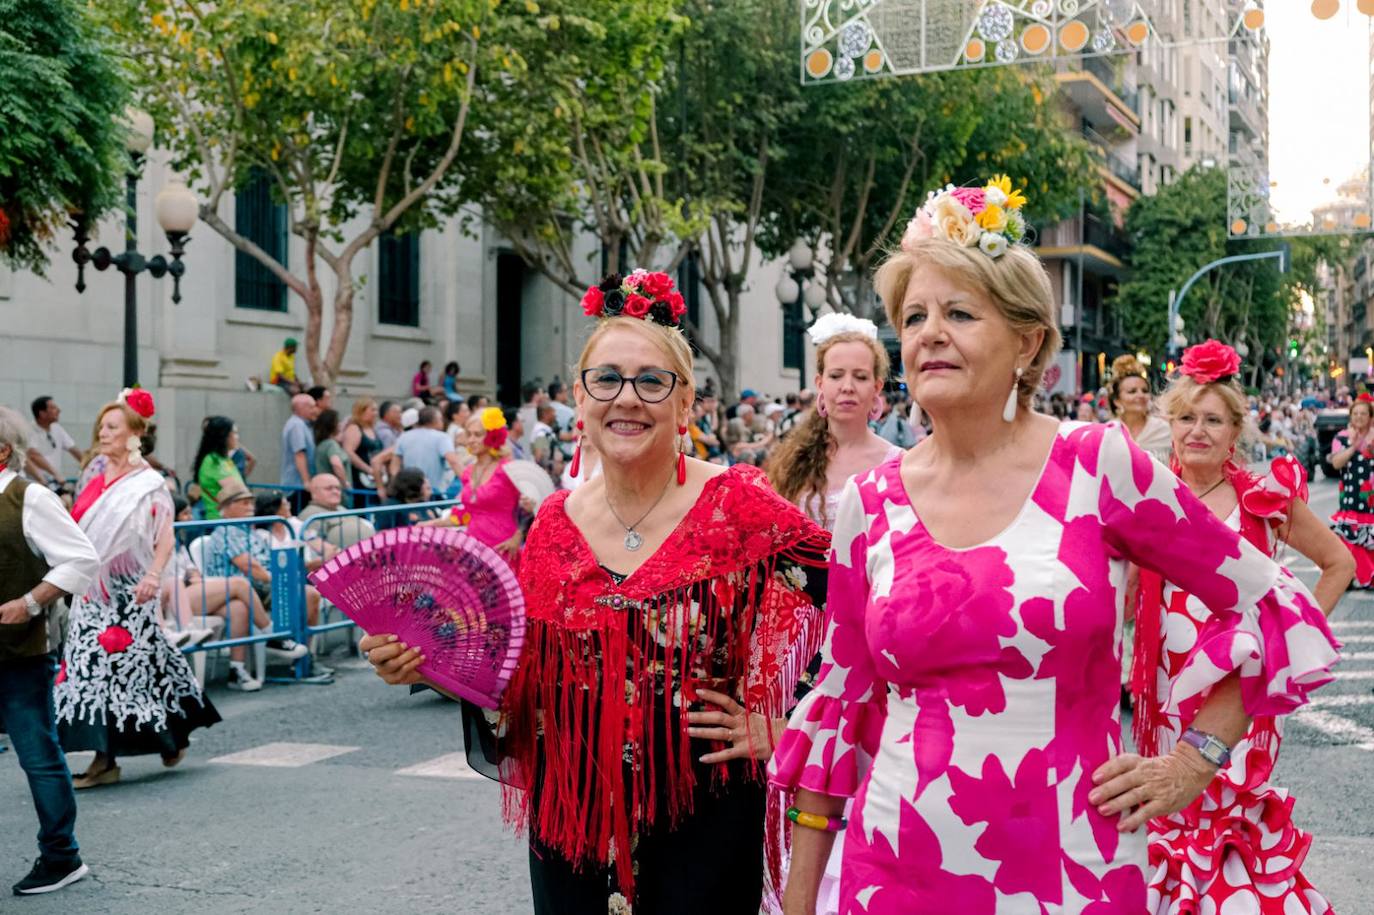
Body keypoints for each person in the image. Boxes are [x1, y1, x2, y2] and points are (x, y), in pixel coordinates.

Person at [769, 178, 1339, 914]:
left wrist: (1196, 761)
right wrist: (800, 896)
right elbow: (841, 702)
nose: (928, 332)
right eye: (913, 316)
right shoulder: (872, 504)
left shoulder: (1099, 466)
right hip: (895, 869)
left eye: (959, 312)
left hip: (1076, 869)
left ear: (1027, 340)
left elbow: (1274, 604)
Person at [361, 269, 829, 914]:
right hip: (571, 829)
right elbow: (518, 673)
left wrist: (791, 722)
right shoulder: (553, 522)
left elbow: (858, 616)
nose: (626, 398)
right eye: (606, 379)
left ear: (686, 402)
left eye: (651, 381)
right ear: (580, 401)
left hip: (706, 822)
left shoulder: (739, 504)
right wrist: (426, 662)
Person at [1135, 340, 1352, 915]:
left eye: (1213, 419)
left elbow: (1341, 563)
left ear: (1236, 432)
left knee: (1224, 813)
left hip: (1235, 690)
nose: (1197, 430)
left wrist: (1289, 640)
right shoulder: (1150, 496)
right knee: (1167, 810)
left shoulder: (1263, 498)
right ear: (1170, 424)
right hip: (1163, 687)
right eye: (1186, 417)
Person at [55, 392, 221, 789]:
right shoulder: (94, 478)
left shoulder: (149, 483)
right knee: (92, 667)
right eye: (102, 426)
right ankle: (108, 757)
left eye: (113, 426)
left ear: (135, 433)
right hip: (94, 591)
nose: (103, 432)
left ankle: (150, 742)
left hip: (132, 590)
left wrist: (154, 575)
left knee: (129, 668)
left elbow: (165, 535)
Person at [0, 407, 100, 896]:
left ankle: (61, 855)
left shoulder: (30, 497)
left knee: (37, 752)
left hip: (18, 650)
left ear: (2, 450)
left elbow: (81, 557)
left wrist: (29, 601)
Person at [767, 313, 901, 530]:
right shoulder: (793, 460)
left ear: (876, 387)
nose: (847, 387)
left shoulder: (897, 464)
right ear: (820, 383)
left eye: (860, 377)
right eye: (836, 375)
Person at [164, 497, 297, 691]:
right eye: (185, 514)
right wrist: (189, 578)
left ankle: (237, 670)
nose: (190, 518)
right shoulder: (158, 540)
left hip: (192, 590)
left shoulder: (179, 541)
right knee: (240, 584)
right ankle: (272, 634)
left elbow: (191, 568)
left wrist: (193, 574)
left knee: (239, 608)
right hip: (172, 598)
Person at [203, 481, 323, 658]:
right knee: (307, 594)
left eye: (251, 502)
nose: (250, 507)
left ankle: (304, 658)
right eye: (244, 503)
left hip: (261, 587)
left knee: (310, 595)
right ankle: (277, 639)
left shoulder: (249, 531)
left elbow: (267, 564)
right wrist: (283, 581)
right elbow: (251, 568)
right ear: (227, 508)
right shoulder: (225, 531)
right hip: (243, 590)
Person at [423, 409, 523, 565]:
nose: (471, 440)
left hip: (503, 546)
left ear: (492, 436)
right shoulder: (468, 472)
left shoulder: (508, 470)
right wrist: (433, 523)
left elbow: (529, 511)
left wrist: (517, 538)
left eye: (477, 434)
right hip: (474, 547)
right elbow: (467, 513)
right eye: (468, 434)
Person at [1328, 392, 1374, 585]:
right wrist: (1354, 446)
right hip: (1350, 497)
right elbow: (1336, 463)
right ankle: (1351, 576)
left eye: (1364, 414)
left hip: (1370, 499)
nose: (1359, 418)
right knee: (1349, 538)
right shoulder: (1341, 437)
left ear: (1371, 417)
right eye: (1355, 414)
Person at [1109, 353, 1172, 463]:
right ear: (1117, 401)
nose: (1140, 395)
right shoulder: (1108, 432)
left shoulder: (1165, 430)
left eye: (1145, 391)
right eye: (1132, 391)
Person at [391, 406, 464, 496]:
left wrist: (398, 487)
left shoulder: (403, 437)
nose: (443, 422)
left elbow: (394, 467)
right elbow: (454, 461)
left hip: (409, 493)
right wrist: (468, 483)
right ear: (435, 421)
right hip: (433, 493)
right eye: (441, 419)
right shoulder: (442, 437)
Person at [299, 474, 376, 551]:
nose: (335, 491)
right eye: (329, 488)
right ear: (314, 493)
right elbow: (313, 544)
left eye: (338, 488)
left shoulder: (340, 508)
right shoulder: (310, 515)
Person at [25, 396, 83, 491]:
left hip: (56, 483)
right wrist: (55, 474)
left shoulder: (57, 428)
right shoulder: (28, 431)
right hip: (36, 485)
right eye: (53, 408)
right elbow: (33, 455)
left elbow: (74, 450)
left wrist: (90, 465)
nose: (58, 410)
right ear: (42, 413)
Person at [193, 416, 245, 520]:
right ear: (224, 436)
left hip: (234, 520)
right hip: (220, 522)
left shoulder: (225, 459)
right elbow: (236, 492)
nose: (237, 437)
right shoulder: (212, 461)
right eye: (234, 433)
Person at [280, 393, 318, 513]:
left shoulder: (303, 425)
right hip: (297, 485)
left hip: (299, 484)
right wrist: (306, 481)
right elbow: (299, 454)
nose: (315, 410)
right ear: (301, 408)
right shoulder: (297, 425)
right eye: (311, 407)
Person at [372, 467, 442, 530]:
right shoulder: (389, 508)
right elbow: (381, 534)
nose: (431, 492)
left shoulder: (425, 505)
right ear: (414, 487)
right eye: (428, 489)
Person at [340, 397, 384, 493]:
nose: (375, 413)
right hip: (361, 478)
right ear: (361, 411)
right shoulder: (354, 428)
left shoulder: (372, 429)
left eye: (376, 410)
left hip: (375, 478)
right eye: (372, 410)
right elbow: (348, 452)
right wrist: (368, 469)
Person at [313, 408, 350, 492]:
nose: (340, 424)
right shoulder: (331, 445)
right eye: (338, 422)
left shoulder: (322, 445)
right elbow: (336, 464)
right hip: (337, 492)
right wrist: (345, 483)